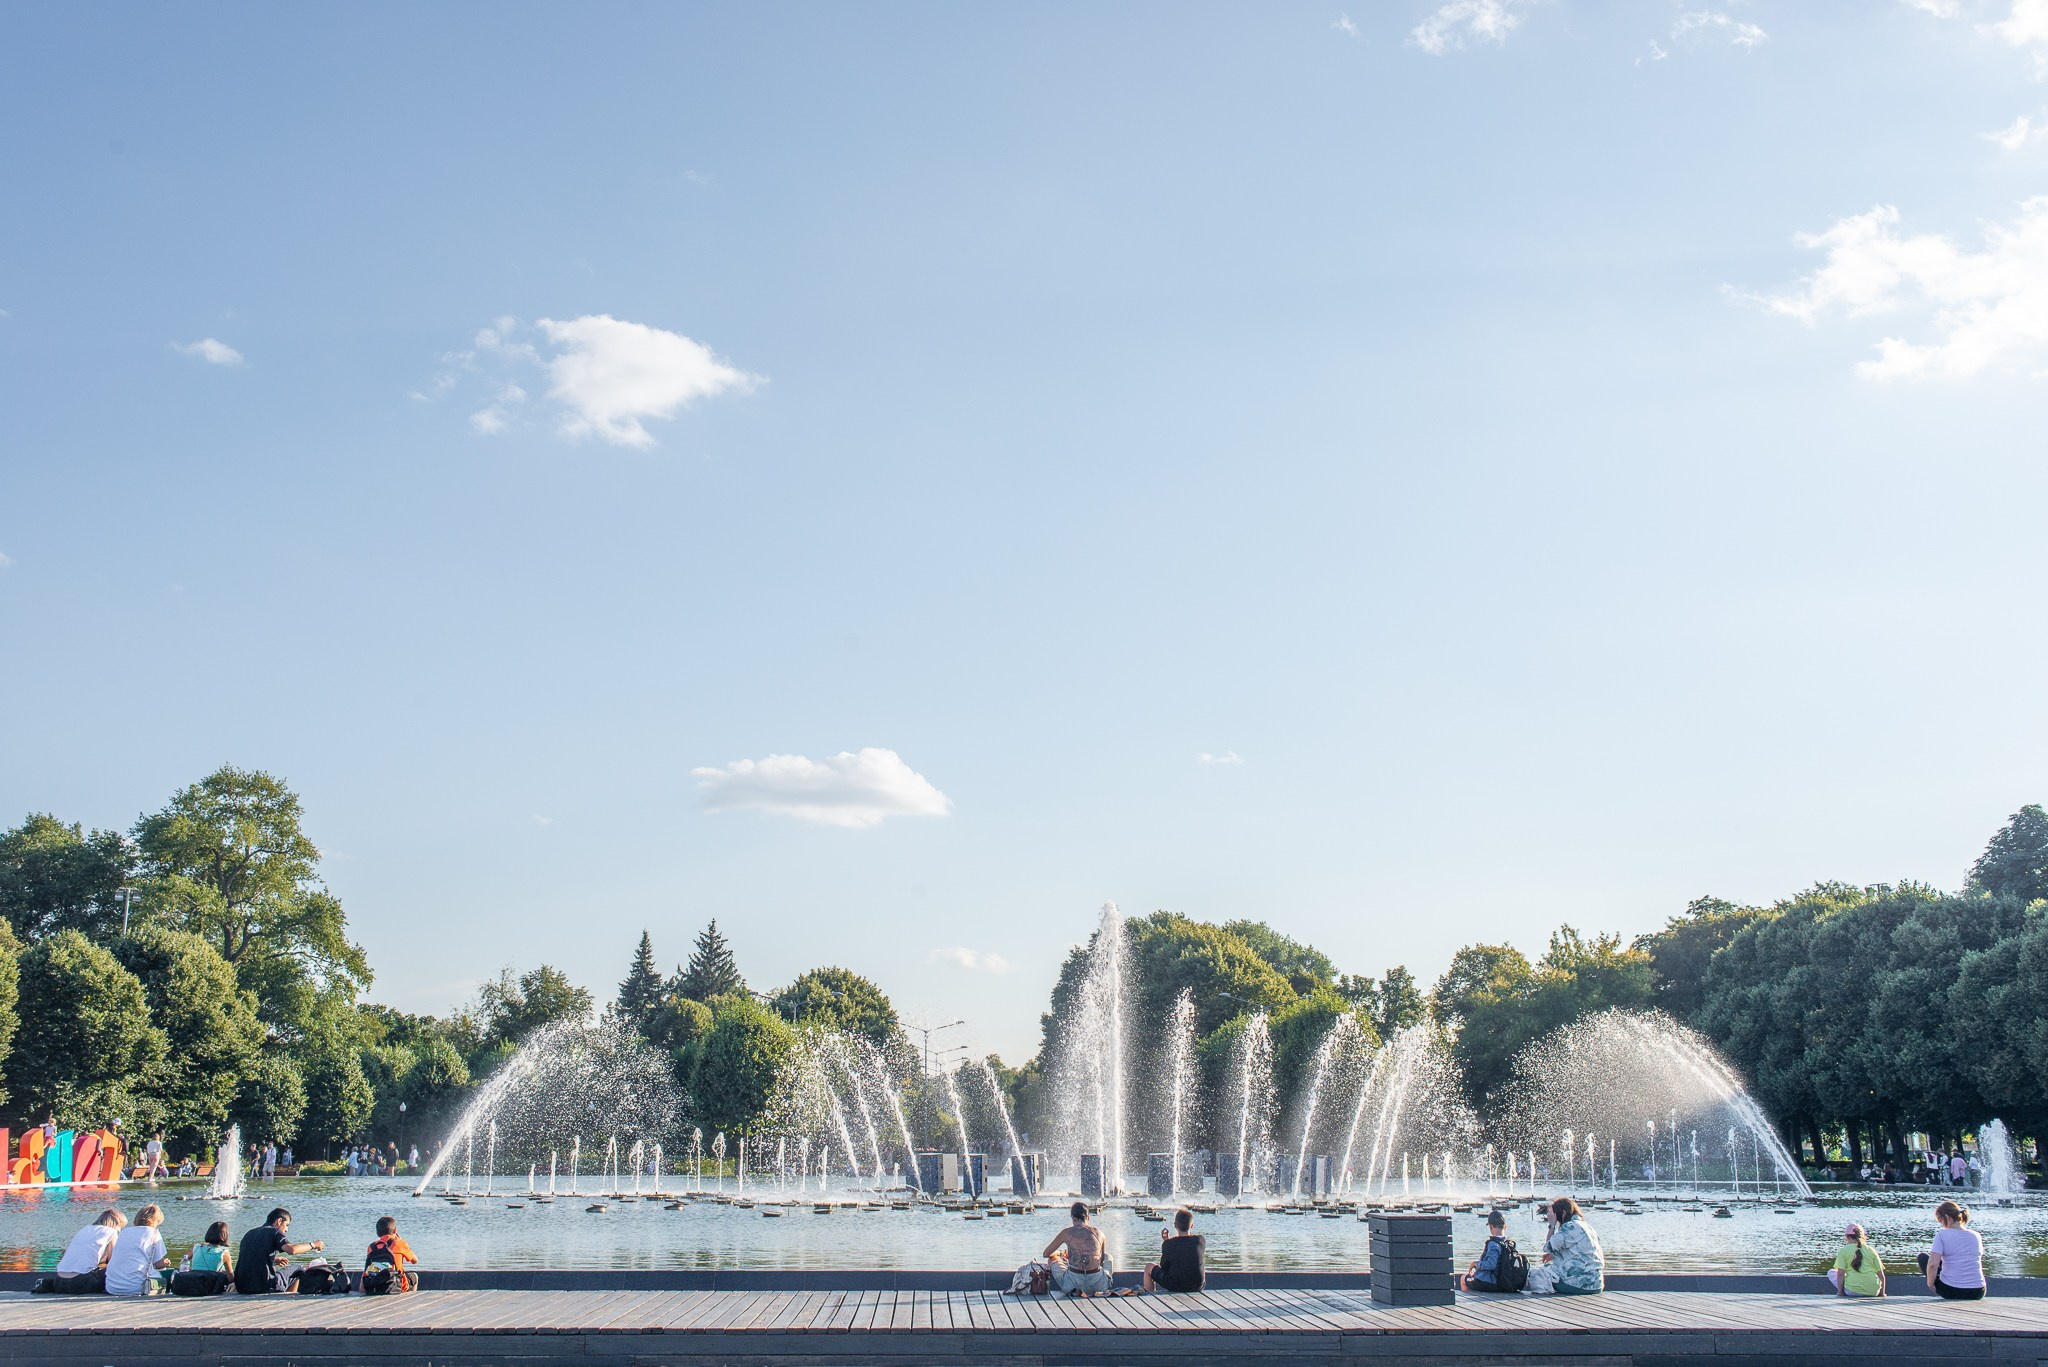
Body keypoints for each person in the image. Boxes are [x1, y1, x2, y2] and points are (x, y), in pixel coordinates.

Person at [1523, 1197, 1604, 1296]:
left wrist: (1551, 1225)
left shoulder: (1569, 1226)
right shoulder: (1588, 1227)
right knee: (1550, 1268)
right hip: (1596, 1284)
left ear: (1564, 1213)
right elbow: (1580, 1251)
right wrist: (1554, 1256)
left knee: (1536, 1274)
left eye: (1555, 1214)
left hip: (1576, 1285)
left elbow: (1547, 1247)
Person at [235, 1207, 326, 1294]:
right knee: (299, 1269)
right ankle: (288, 1300)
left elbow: (250, 1257)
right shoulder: (274, 1232)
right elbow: (292, 1250)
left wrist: (272, 1261)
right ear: (279, 1221)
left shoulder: (250, 1233)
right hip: (264, 1286)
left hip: (241, 1286)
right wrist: (313, 1245)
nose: (286, 1230)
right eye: (286, 1225)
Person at [1918, 1200, 1987, 1300]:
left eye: (1940, 1220)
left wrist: (1931, 1284)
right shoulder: (1976, 1235)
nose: (1942, 1224)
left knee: (1923, 1258)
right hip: (1978, 1291)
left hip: (1952, 1290)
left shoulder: (1942, 1235)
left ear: (1947, 1218)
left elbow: (1933, 1264)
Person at [1041, 1202, 1111, 1296]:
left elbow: (1045, 1254)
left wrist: (1060, 1254)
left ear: (1073, 1218)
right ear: (1088, 1217)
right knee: (1108, 1257)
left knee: (1053, 1259)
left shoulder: (1066, 1233)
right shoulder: (1100, 1233)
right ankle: (1104, 1285)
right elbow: (1101, 1260)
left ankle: (1077, 1289)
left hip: (1072, 1284)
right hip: (1098, 1284)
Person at [48, 1210, 126, 1293]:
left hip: (59, 1282)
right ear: (117, 1223)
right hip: (81, 1283)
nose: (120, 1231)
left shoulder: (85, 1229)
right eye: (121, 1227)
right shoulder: (111, 1232)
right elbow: (113, 1261)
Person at [104, 1205, 171, 1296]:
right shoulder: (154, 1233)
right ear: (156, 1221)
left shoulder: (124, 1232)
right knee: (171, 1275)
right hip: (138, 1287)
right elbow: (158, 1264)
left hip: (112, 1287)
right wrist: (165, 1263)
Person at [1143, 1208, 1204, 1293]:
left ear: (1175, 1225)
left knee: (1149, 1267)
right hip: (1197, 1286)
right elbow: (1186, 1246)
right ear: (1192, 1225)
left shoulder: (1169, 1244)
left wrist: (1167, 1241)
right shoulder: (1200, 1240)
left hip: (1175, 1286)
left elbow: (1164, 1268)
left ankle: (1149, 1297)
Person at [1461, 1209, 1518, 1292]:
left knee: (1463, 1278)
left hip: (1490, 1283)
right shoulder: (1508, 1243)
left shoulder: (1493, 1244)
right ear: (1505, 1226)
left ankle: (1469, 1300)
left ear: (1491, 1226)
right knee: (1473, 1278)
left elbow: (1491, 1265)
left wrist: (1476, 1264)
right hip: (1503, 1282)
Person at [363, 1215, 421, 1293]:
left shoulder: (372, 1247)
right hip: (396, 1284)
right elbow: (415, 1261)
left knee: (364, 1274)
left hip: (375, 1284)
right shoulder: (400, 1243)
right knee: (415, 1276)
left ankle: (362, 1293)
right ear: (395, 1230)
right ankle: (410, 1298)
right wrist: (401, 1241)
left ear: (377, 1233)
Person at [1829, 1222, 1885, 1297]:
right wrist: (1882, 1293)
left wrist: (1840, 1292)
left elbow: (1840, 1274)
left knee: (1831, 1272)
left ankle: (1843, 1290)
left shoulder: (1844, 1250)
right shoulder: (1871, 1250)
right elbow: (1881, 1275)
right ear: (1862, 1236)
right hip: (1873, 1291)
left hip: (1853, 1291)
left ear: (1847, 1237)